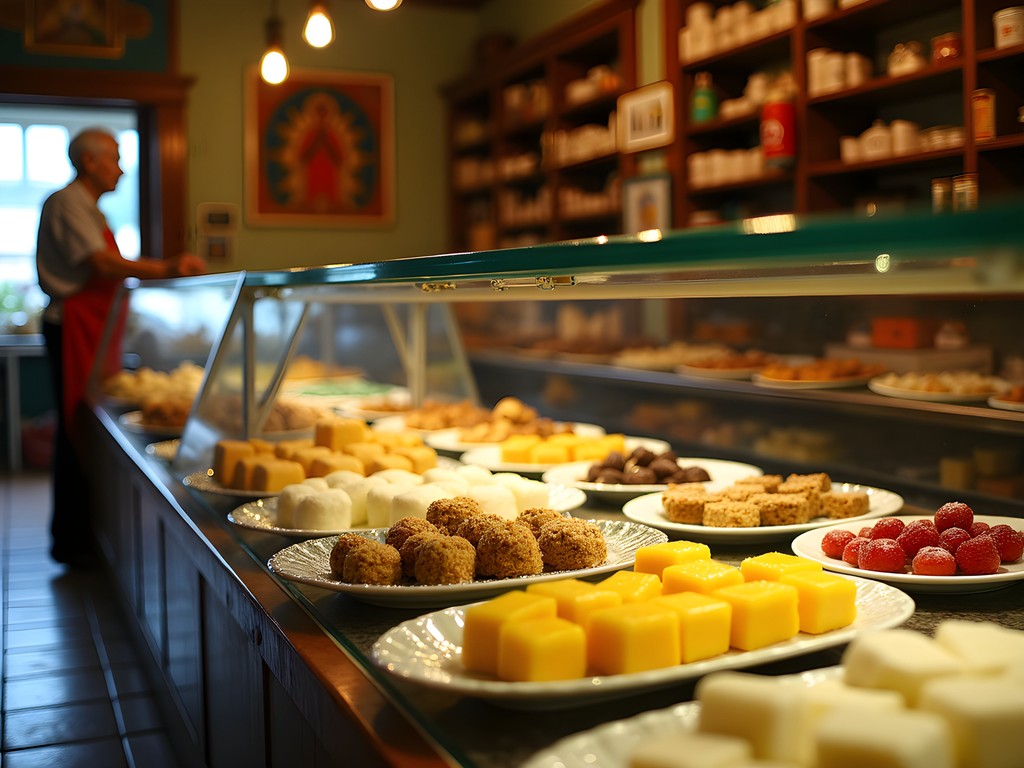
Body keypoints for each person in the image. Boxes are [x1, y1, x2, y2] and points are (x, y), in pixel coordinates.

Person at [36, 127, 206, 567]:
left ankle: (85, 535)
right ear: (89, 162)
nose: (122, 168)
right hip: (72, 324)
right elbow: (101, 264)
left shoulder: (89, 208)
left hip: (93, 326)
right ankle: (70, 541)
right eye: (114, 158)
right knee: (75, 428)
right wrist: (166, 267)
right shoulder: (67, 202)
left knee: (85, 427)